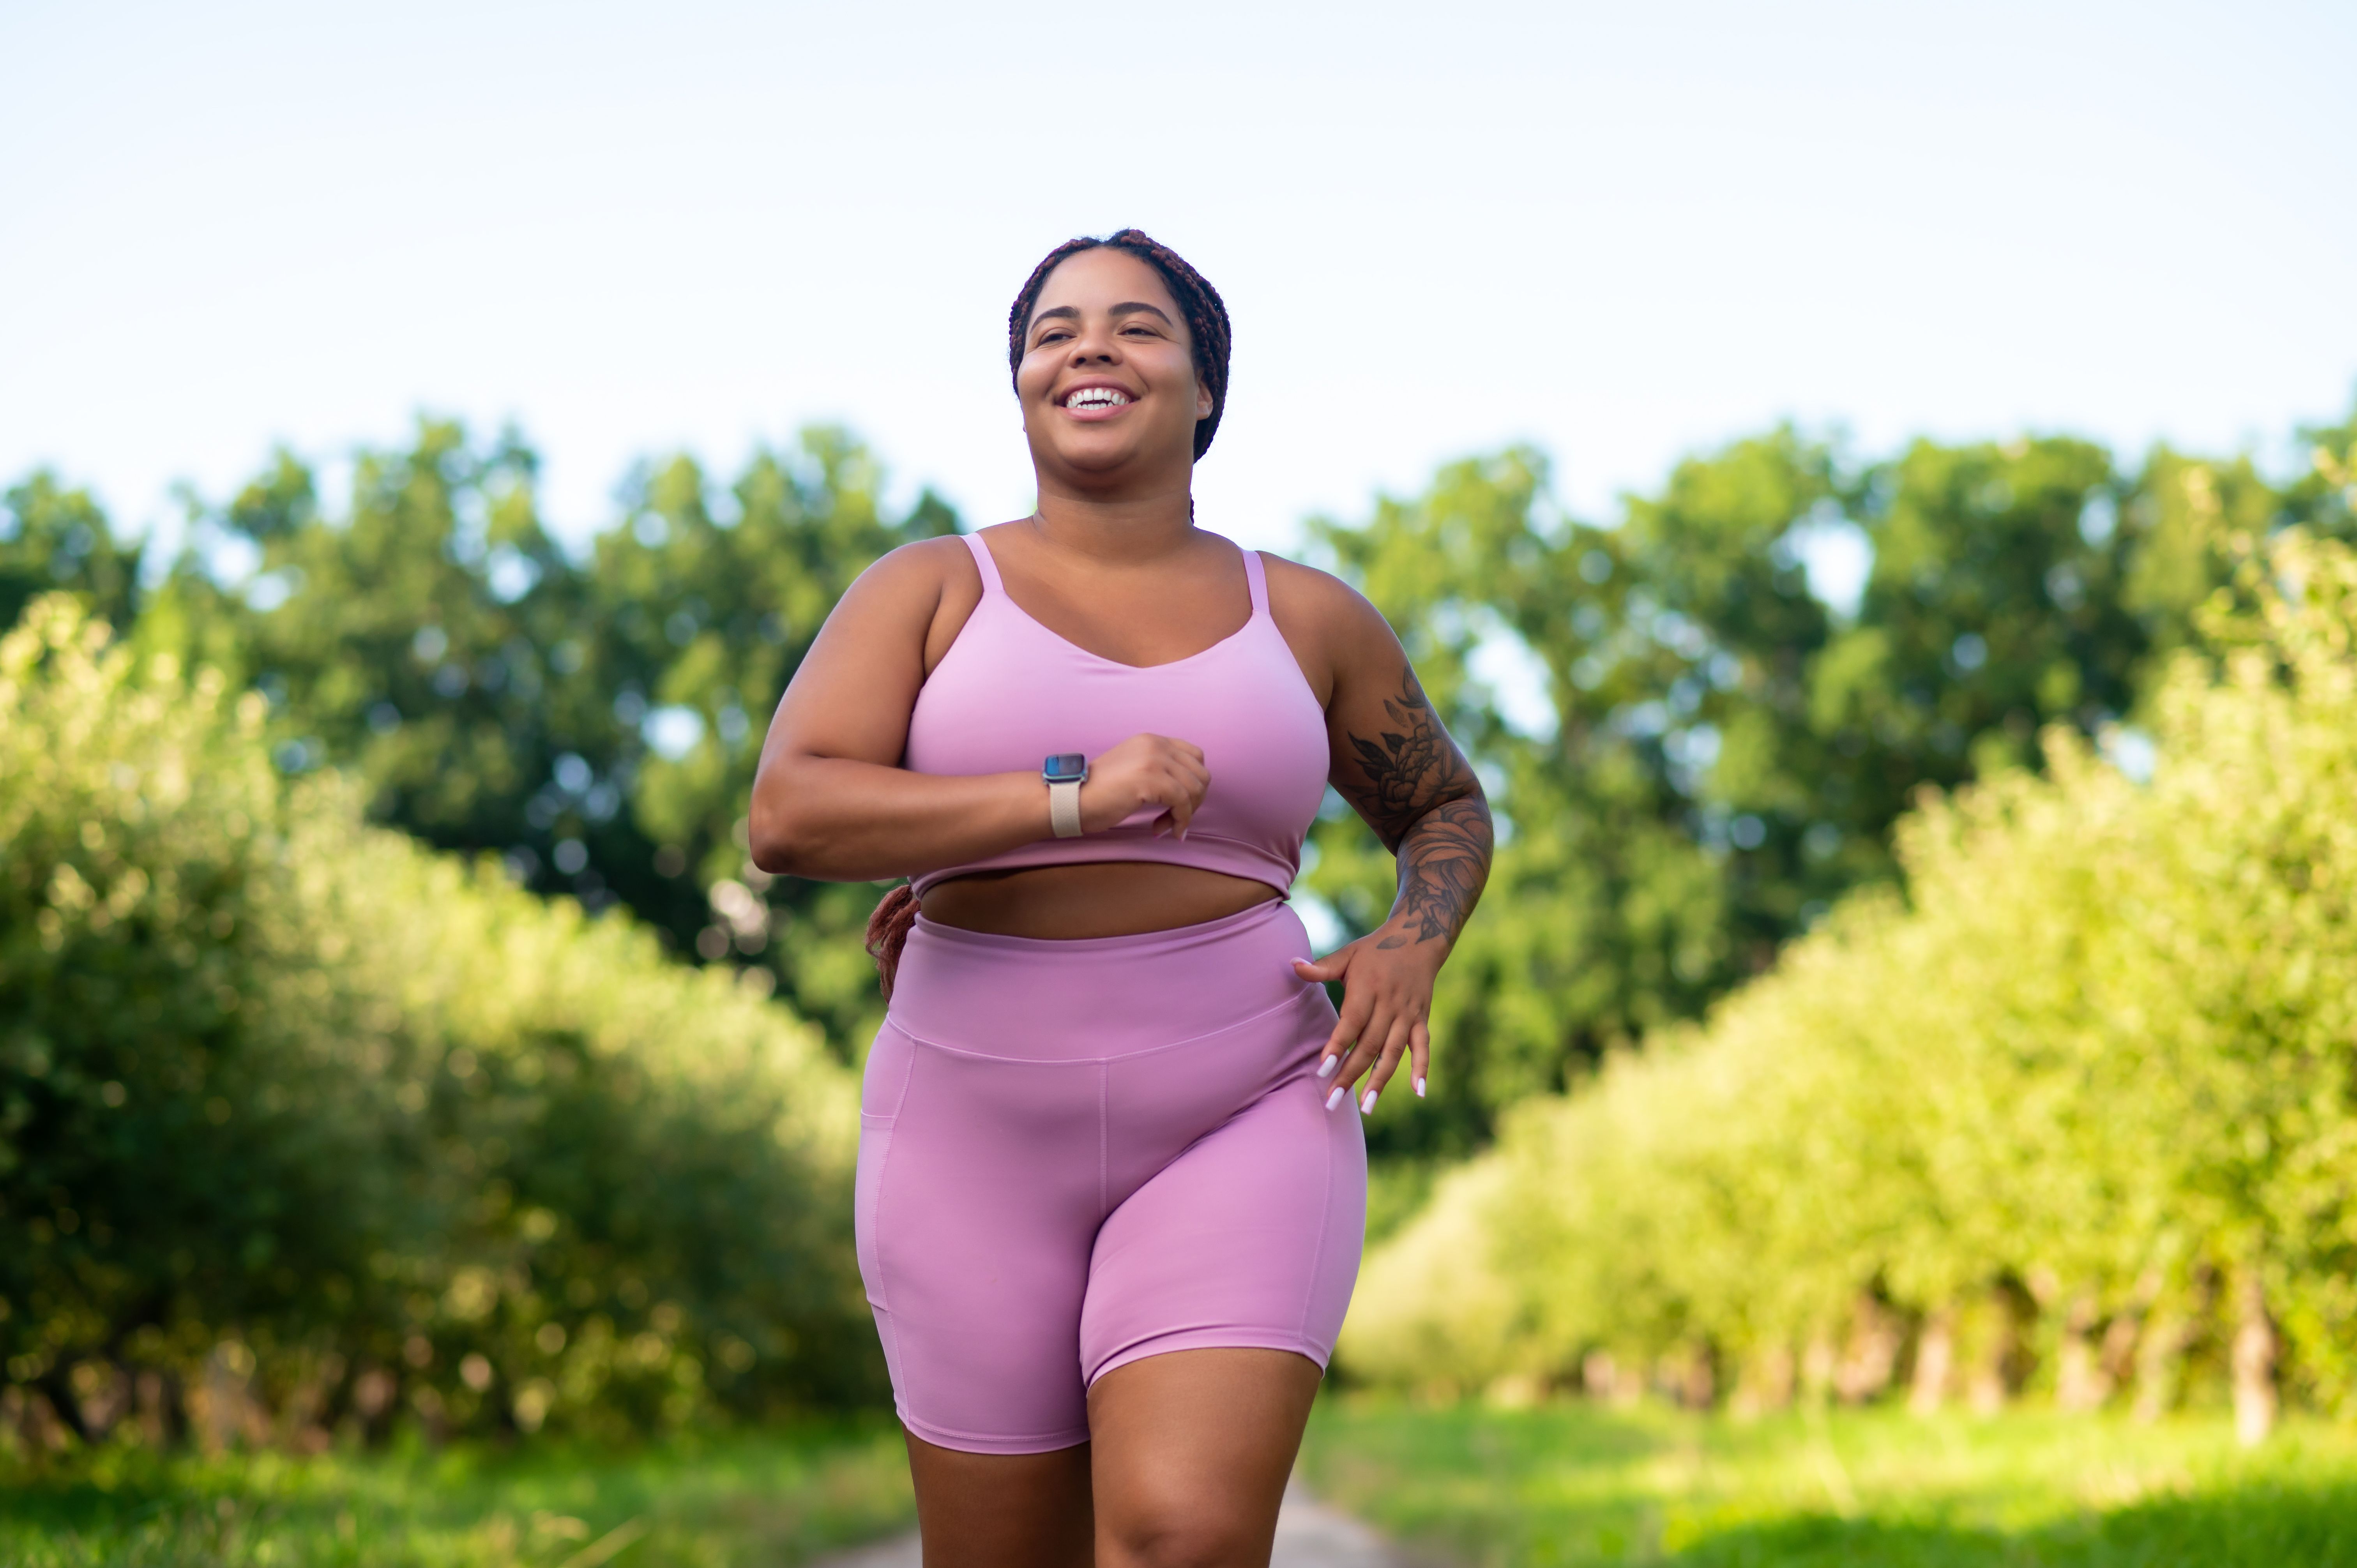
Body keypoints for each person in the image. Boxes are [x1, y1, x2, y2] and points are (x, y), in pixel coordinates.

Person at [749, 229, 1493, 1568]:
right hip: (968, 1127)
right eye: (1054, 331)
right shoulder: (926, 590)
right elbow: (791, 812)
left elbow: (1445, 804)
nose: (1090, 346)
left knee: (1182, 1538)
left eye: (1137, 326)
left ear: (1207, 387)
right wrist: (1065, 800)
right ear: (1023, 386)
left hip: (1244, 1104)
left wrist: (1409, 939)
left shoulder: (1310, 617)